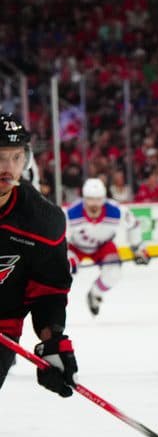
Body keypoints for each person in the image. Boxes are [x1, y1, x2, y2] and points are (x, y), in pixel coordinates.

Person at [0, 114, 77, 397]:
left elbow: (49, 290)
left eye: (16, 157)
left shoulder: (42, 222)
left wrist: (52, 340)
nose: (8, 168)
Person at [65, 177, 150, 316]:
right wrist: (66, 260)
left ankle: (95, 294)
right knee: (63, 272)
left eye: (98, 199)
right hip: (75, 247)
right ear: (84, 198)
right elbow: (61, 239)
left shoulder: (117, 211)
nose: (94, 203)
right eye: (90, 199)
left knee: (114, 273)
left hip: (103, 247)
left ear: (104, 198)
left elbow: (134, 226)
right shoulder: (71, 214)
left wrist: (138, 249)